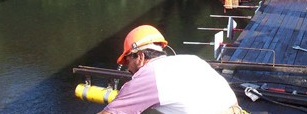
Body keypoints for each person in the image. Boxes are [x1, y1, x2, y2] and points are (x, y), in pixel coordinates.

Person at [99, 25, 239, 114]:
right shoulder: (192, 59)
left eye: (128, 60)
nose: (127, 67)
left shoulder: (149, 76)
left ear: (140, 56)